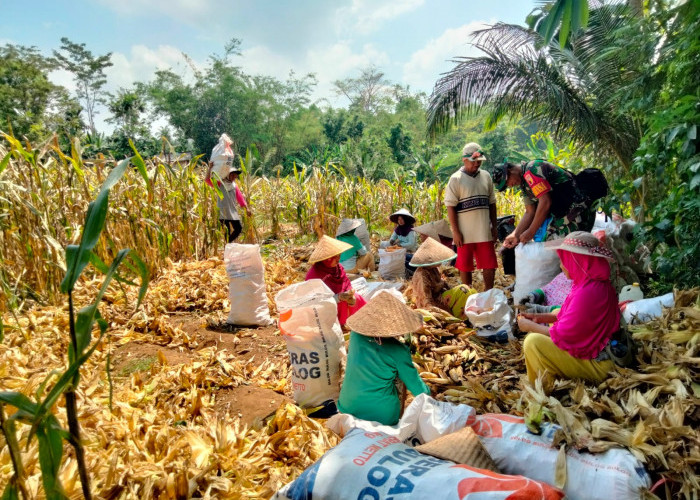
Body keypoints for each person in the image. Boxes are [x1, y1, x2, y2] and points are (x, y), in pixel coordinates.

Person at [517, 232, 619, 389]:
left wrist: (529, 326)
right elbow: (565, 315)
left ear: (577, 261)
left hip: (598, 364)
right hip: (600, 353)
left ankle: (541, 391)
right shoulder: (590, 284)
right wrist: (537, 318)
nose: (561, 265)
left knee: (533, 342)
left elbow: (564, 334)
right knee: (543, 331)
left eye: (564, 260)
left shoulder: (588, 292)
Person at [337, 292, 431, 425]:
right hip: (381, 416)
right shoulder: (398, 351)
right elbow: (418, 389)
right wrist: (430, 394)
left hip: (347, 405)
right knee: (399, 377)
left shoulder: (356, 335)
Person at [493, 160, 597, 247]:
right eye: (506, 186)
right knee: (554, 248)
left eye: (507, 181)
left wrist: (531, 231)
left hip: (576, 212)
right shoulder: (524, 185)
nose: (510, 185)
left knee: (569, 249)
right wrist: (515, 234)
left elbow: (545, 202)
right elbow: (530, 212)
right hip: (563, 215)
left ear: (510, 170)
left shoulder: (532, 170)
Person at [444, 142, 498, 290]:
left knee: (489, 263)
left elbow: (492, 204)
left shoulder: (486, 176)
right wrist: (456, 232)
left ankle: (489, 292)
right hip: (465, 232)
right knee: (465, 265)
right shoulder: (456, 179)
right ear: (465, 160)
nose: (477, 164)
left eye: (479, 161)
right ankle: (467, 294)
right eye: (474, 161)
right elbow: (450, 207)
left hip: (484, 229)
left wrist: (494, 226)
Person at [305, 235, 367, 326]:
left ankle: (359, 320)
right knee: (341, 303)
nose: (338, 259)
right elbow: (316, 302)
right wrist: (337, 298)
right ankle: (342, 324)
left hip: (339, 300)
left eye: (338, 256)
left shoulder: (337, 268)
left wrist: (350, 294)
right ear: (325, 259)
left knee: (357, 297)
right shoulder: (314, 276)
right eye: (334, 257)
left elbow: (346, 282)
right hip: (324, 310)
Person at [409, 238, 476, 318]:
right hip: (435, 302)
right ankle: (459, 318)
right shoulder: (422, 275)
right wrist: (435, 312)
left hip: (441, 295)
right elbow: (425, 298)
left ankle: (471, 315)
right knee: (463, 290)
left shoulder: (433, 268)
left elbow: (443, 284)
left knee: (471, 291)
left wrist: (452, 289)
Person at [205, 163, 251, 243]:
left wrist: (247, 208)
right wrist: (210, 168)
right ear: (227, 175)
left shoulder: (234, 186)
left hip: (232, 211)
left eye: (235, 175)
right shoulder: (220, 184)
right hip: (223, 211)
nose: (234, 177)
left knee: (238, 229)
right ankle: (228, 247)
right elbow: (207, 180)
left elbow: (240, 198)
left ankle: (228, 244)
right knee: (227, 232)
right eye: (232, 175)